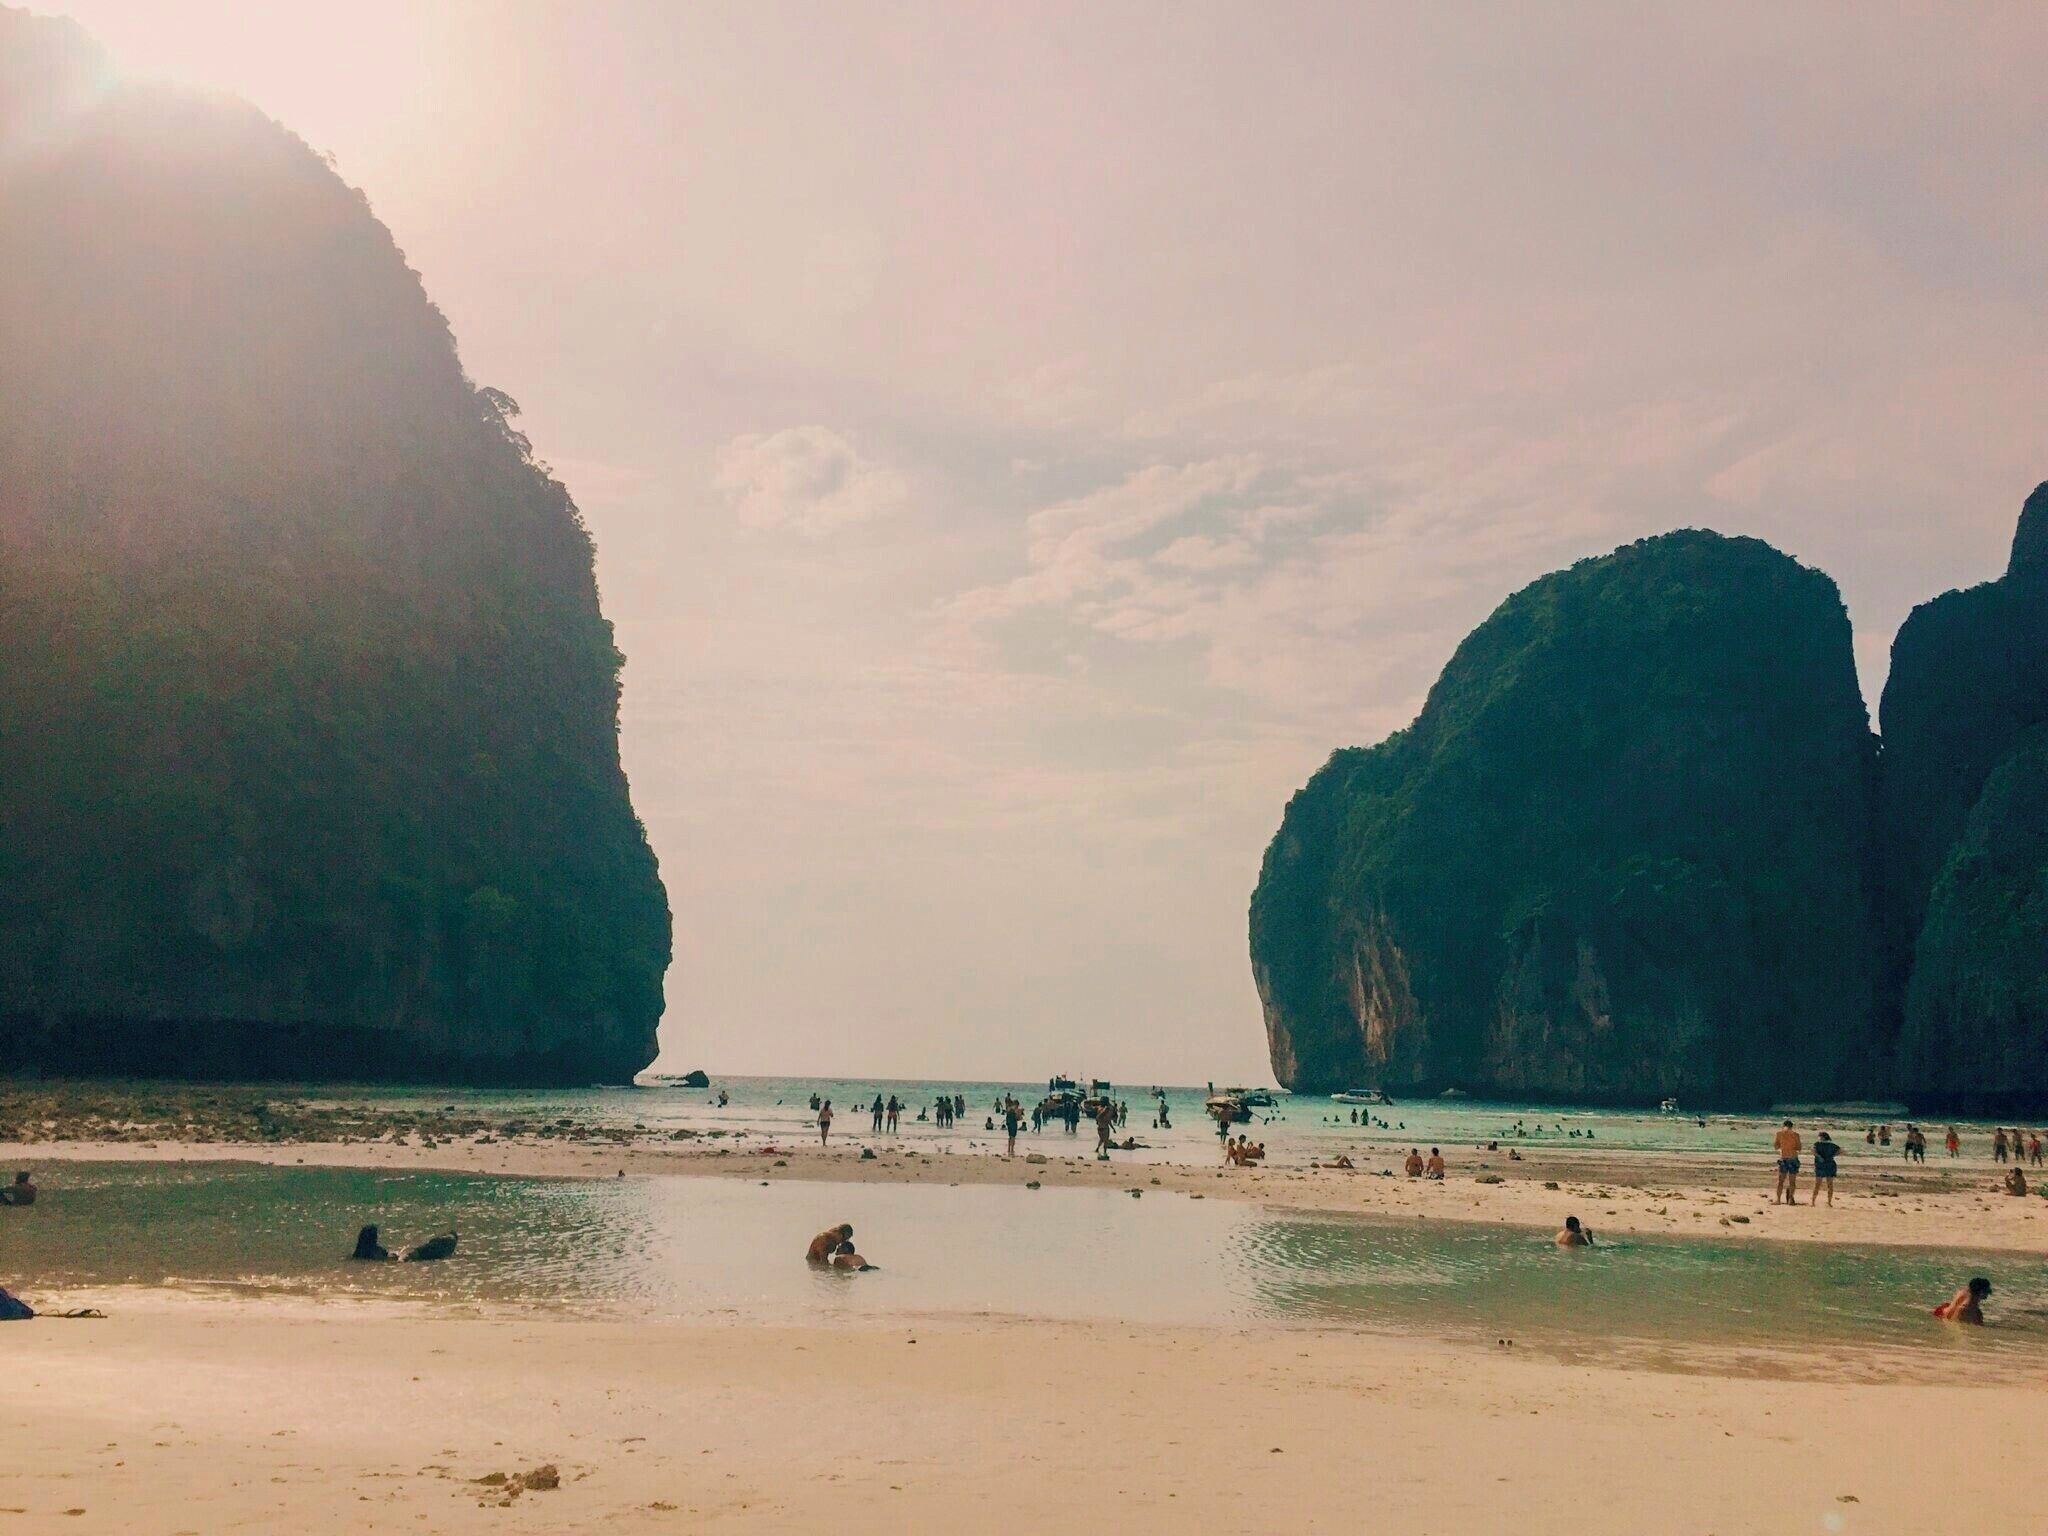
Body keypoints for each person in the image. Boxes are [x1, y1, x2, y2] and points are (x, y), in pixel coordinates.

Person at [1772, 1120, 1802, 1205]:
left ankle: (1778, 1200)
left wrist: (1783, 1146)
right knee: (1792, 1181)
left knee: (1781, 1180)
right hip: (1793, 1158)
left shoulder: (1779, 1134)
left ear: (1783, 1125)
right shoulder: (1795, 1135)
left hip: (1784, 1157)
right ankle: (1790, 1199)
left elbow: (1775, 1146)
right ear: (1791, 1126)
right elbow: (1799, 1148)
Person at [1810, 1131, 1840, 1206]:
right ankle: (1829, 1202)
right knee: (1830, 1184)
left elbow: (1813, 1151)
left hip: (1820, 1165)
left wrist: (1819, 1156)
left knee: (1817, 1184)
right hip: (1830, 1164)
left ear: (1822, 1137)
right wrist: (1833, 1155)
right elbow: (1841, 1151)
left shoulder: (1817, 1144)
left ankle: (1813, 1202)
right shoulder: (1832, 1145)